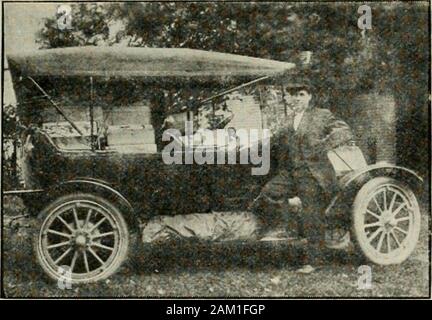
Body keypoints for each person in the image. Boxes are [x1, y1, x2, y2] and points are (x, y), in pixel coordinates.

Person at [251, 74, 354, 273]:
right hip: (291, 174)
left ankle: (314, 261)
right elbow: (273, 142)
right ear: (288, 98)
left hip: (313, 174)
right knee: (269, 192)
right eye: (293, 95)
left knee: (312, 215)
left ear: (309, 97)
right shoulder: (288, 120)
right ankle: (288, 222)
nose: (297, 98)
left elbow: (344, 131)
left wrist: (322, 146)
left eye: (301, 94)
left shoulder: (321, 115)